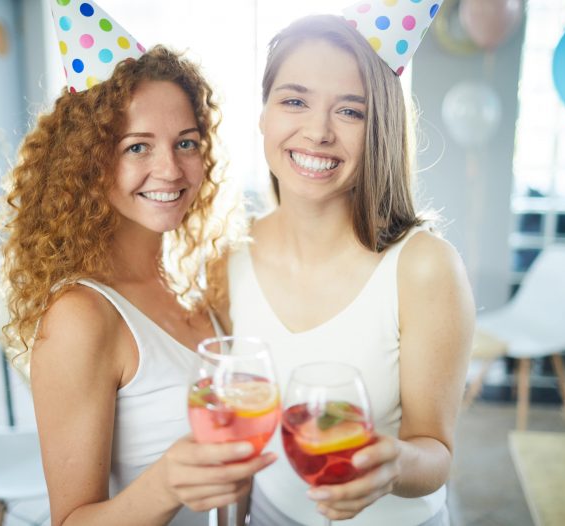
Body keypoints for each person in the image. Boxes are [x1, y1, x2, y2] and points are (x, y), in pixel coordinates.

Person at [0, 17, 273, 526]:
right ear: (89, 162)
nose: (169, 169)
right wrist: (166, 482)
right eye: (137, 146)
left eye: (185, 142)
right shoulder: (81, 317)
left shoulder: (188, 279)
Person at [225, 13, 475, 526]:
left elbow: (436, 452)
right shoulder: (230, 257)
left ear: (380, 127)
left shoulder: (425, 267)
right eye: (294, 100)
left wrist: (397, 464)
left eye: (350, 112)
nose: (317, 132)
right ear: (264, 115)